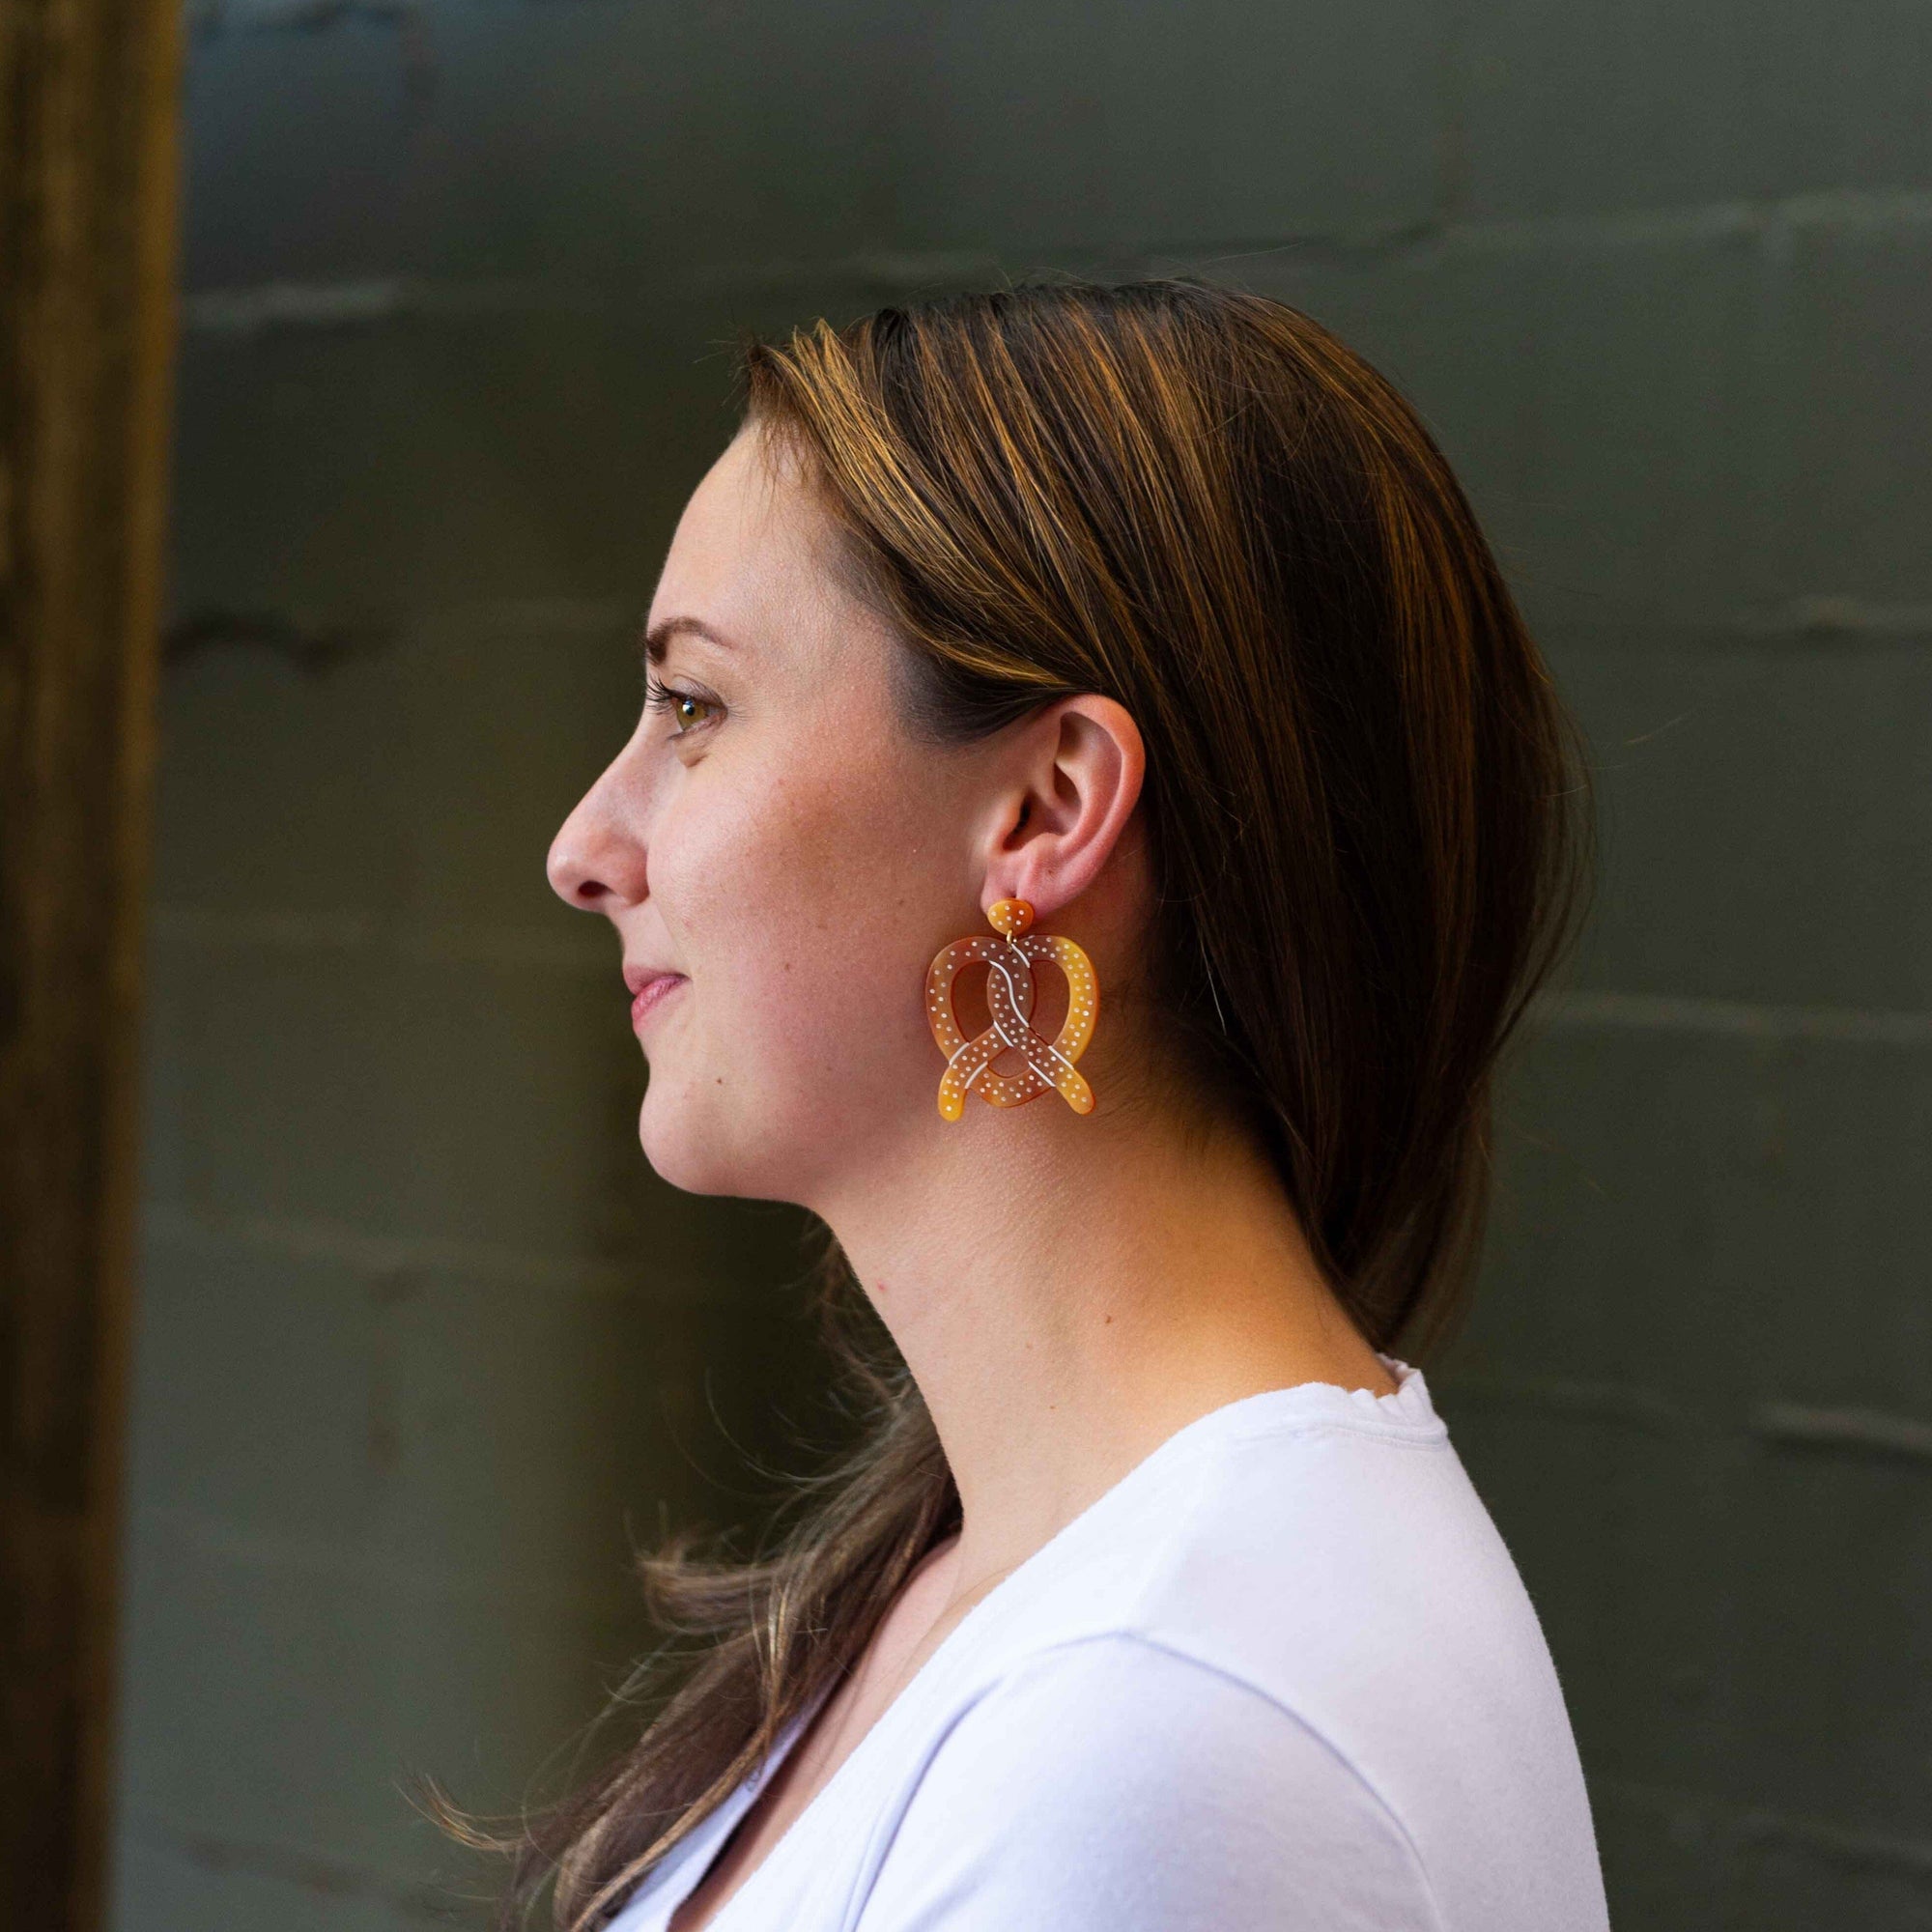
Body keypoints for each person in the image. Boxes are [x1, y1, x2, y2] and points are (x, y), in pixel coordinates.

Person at [529, 278, 1608, 1931]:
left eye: (696, 707)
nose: (586, 849)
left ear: (1047, 807)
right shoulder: (1049, 1589)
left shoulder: (1166, 1723)